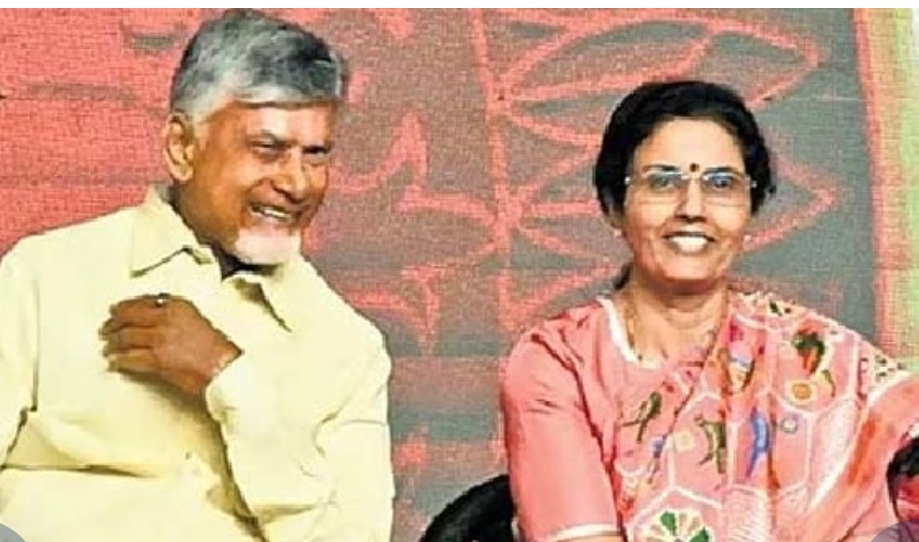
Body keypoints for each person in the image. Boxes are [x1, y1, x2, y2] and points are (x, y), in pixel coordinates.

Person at [0, 9, 394, 542]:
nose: (298, 183)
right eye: (268, 149)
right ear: (182, 147)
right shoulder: (45, 275)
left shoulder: (349, 349)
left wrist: (228, 380)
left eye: (316, 155)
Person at [498, 80, 919, 542]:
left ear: (749, 209)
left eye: (721, 184)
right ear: (614, 206)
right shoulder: (560, 363)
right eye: (663, 182)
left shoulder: (814, 356)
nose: (692, 208)